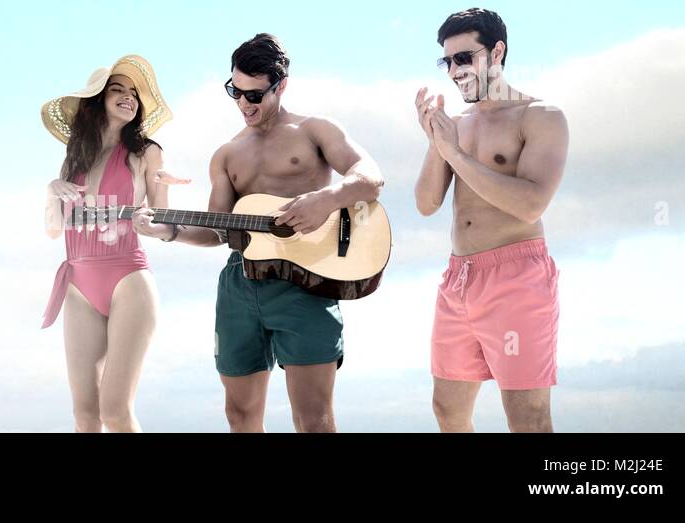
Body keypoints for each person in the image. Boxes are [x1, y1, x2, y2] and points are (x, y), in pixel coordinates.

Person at [135, 34, 384, 432]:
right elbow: (218, 231)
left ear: (280, 85)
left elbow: (370, 177)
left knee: (314, 419)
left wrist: (324, 199)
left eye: (254, 95)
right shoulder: (227, 154)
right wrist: (168, 232)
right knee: (239, 414)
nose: (243, 104)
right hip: (241, 283)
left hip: (307, 283)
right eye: (235, 91)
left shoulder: (315, 130)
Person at [414, 8, 569, 432]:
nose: (454, 70)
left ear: (497, 51)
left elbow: (531, 204)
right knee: (447, 408)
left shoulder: (541, 116)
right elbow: (426, 204)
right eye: (447, 61)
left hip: (516, 275)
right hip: (458, 277)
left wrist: (456, 154)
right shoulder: (456, 127)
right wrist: (436, 143)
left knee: (527, 417)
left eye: (464, 58)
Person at [40, 55, 174, 433]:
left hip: (128, 279)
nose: (129, 97)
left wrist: (156, 219)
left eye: (134, 93)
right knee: (84, 415)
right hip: (78, 284)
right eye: (118, 90)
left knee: (114, 412)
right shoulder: (74, 156)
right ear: (96, 101)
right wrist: (52, 190)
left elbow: (164, 223)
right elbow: (53, 229)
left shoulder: (147, 152)